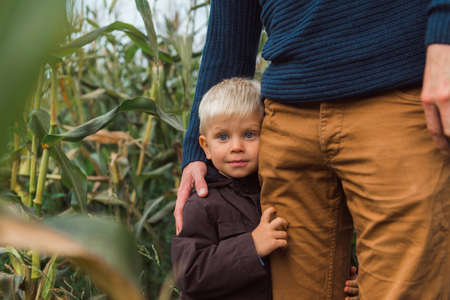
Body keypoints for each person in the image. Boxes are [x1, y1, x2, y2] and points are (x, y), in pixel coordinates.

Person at [175, 1, 450, 300]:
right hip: (286, 112)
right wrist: (196, 150)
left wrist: (444, 35)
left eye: (245, 136)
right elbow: (231, 18)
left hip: (392, 86)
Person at [171, 78, 359, 300]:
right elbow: (189, 273)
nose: (237, 147)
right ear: (205, 147)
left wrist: (348, 274)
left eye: (249, 134)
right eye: (223, 137)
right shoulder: (202, 203)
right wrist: (252, 246)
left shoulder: (283, 189)